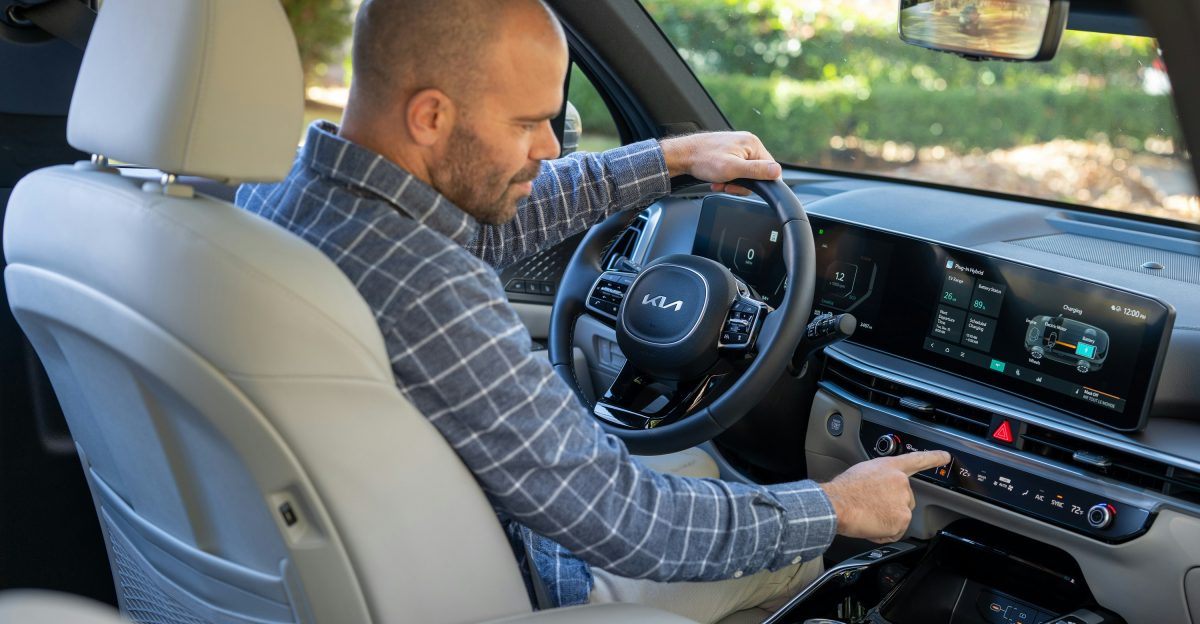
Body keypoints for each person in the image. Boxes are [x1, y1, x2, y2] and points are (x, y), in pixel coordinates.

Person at [236, 0, 950, 621]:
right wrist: (836, 507)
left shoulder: (283, 197)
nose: (547, 148)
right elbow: (628, 523)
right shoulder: (430, 286)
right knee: (804, 564)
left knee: (695, 467)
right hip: (519, 585)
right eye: (526, 124)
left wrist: (672, 157)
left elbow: (490, 218)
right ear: (430, 117)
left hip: (366, 556)